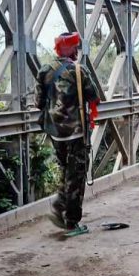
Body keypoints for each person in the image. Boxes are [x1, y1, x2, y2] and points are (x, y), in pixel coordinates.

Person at [35, 32, 99, 237]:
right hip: (76, 133)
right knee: (77, 176)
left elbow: (38, 102)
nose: (78, 50)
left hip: (55, 133)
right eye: (76, 46)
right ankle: (71, 222)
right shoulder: (80, 71)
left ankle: (61, 208)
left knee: (65, 171)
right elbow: (93, 96)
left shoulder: (44, 70)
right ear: (70, 49)